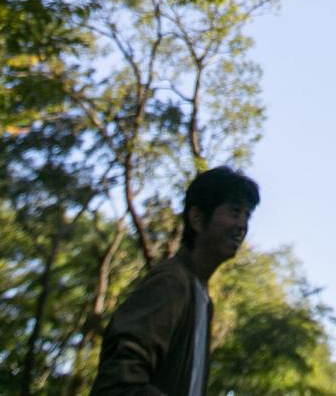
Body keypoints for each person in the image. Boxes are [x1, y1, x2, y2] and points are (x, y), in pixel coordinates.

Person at [90, 166, 258, 396]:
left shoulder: (203, 301)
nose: (242, 225)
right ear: (198, 219)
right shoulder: (171, 282)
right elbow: (119, 381)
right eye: (235, 212)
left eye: (247, 216)